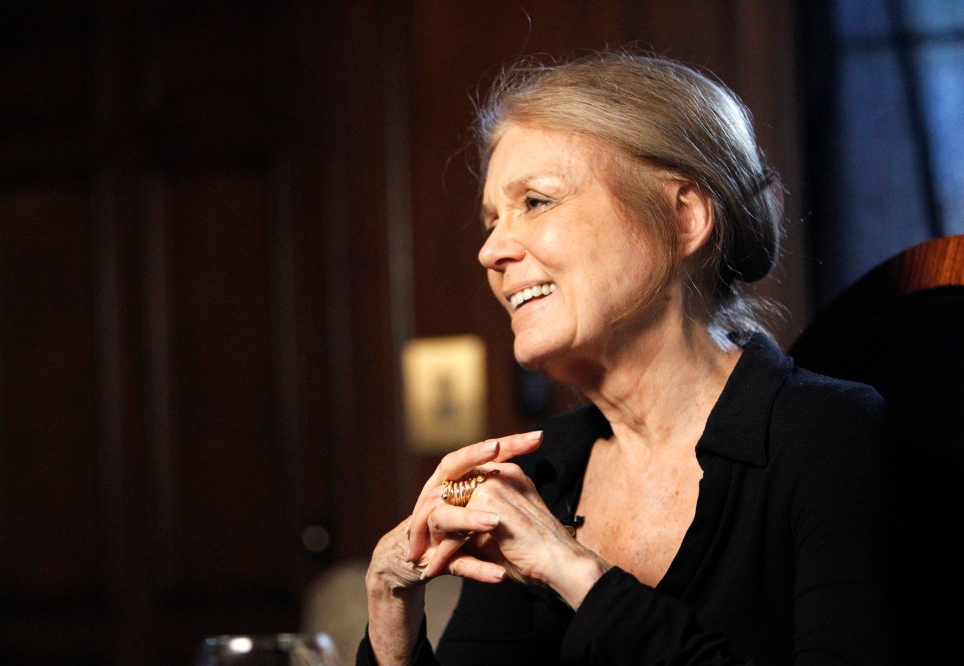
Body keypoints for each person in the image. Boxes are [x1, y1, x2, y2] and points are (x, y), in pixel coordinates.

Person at [357, 48, 893, 665]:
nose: (491, 251)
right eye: (490, 220)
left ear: (682, 218)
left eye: (535, 201)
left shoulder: (828, 432)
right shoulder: (543, 469)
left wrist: (572, 569)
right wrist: (390, 604)